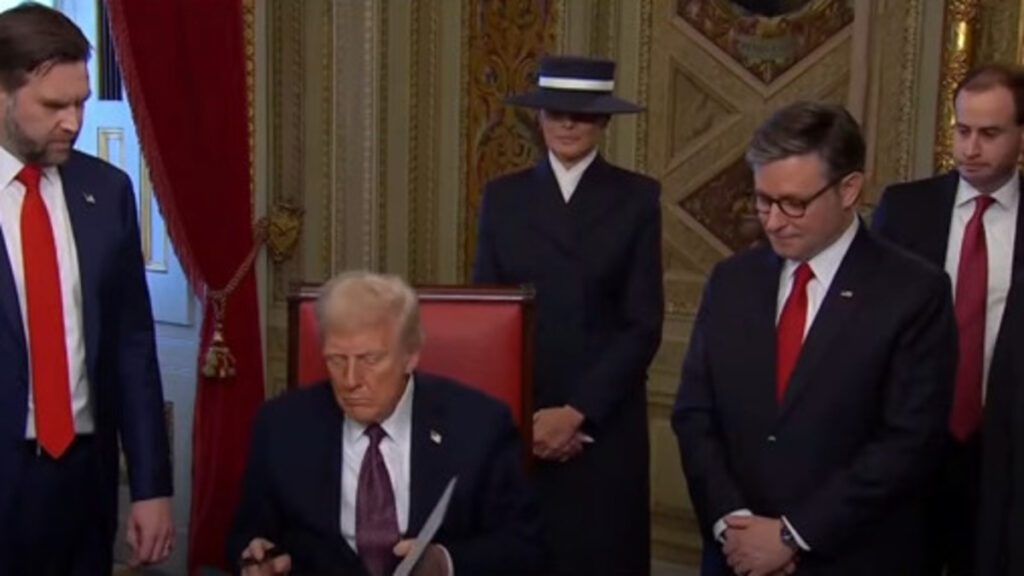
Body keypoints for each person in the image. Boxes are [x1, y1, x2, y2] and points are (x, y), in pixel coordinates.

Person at [673, 101, 957, 576]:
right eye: (763, 200)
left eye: (794, 203)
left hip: (853, 557)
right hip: (735, 556)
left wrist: (792, 535)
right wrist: (735, 524)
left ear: (849, 189)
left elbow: (907, 443)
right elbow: (695, 414)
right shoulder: (731, 281)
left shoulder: (913, 292)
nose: (774, 221)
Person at [471, 55, 664, 575]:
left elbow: (642, 324)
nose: (568, 124)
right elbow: (485, 319)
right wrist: (526, 421)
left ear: (603, 121)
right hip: (521, 423)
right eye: (556, 112)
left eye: (582, 114)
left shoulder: (637, 198)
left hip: (601, 427)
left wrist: (576, 413)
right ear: (539, 118)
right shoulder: (502, 198)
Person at [0, 3, 174, 575]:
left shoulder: (108, 192)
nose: (74, 122)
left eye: (80, 102)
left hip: (83, 479)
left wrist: (150, 486)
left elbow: (132, 349)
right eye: (54, 106)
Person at [227, 271, 542, 576]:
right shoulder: (282, 426)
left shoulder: (479, 426)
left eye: (370, 360)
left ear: (410, 355)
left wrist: (444, 563)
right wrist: (257, 559)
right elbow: (248, 536)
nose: (351, 381)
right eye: (336, 360)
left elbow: (524, 547)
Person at [873, 63, 1024, 576]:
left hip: (1002, 449)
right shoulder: (906, 209)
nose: (971, 148)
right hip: (910, 442)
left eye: (989, 133)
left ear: (1021, 134)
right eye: (962, 131)